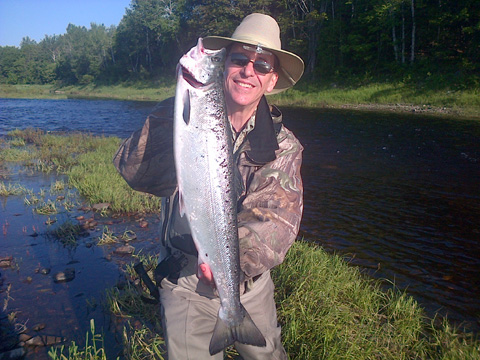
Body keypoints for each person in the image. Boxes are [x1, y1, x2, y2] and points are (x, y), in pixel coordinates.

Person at [113, 13, 304, 360]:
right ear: (224, 67)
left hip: (248, 284)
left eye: (261, 65)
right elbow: (132, 171)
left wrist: (227, 266)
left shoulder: (284, 146)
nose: (248, 71)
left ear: (272, 79)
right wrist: (176, 108)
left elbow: (277, 225)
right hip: (186, 279)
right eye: (239, 59)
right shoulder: (179, 114)